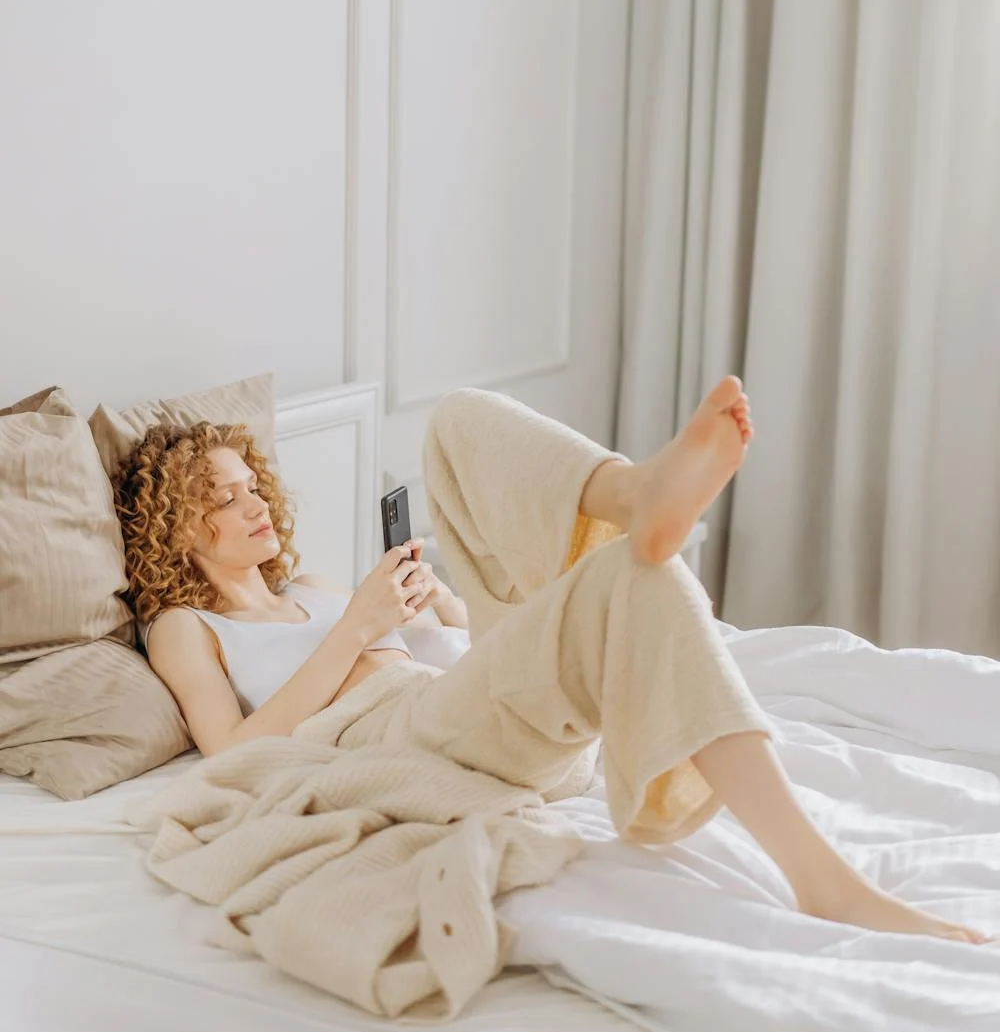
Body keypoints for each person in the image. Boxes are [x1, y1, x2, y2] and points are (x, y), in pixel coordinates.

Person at [113, 376, 990, 946]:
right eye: (220, 499)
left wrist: (434, 604)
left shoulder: (313, 580)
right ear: (177, 531)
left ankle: (631, 489)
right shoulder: (187, 627)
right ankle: (823, 882)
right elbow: (231, 755)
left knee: (457, 422)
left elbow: (438, 639)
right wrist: (356, 631)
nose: (252, 501)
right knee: (640, 577)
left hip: (460, 684)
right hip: (408, 733)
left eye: (251, 482)